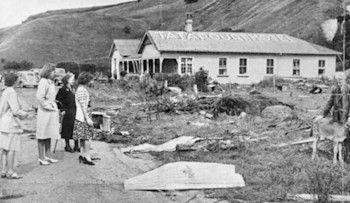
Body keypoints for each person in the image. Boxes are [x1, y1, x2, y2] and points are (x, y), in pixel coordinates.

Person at [0, 73, 29, 179]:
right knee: (11, 148)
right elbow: (15, 110)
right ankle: (10, 171)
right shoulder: (12, 92)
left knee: (4, 148)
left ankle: (3, 170)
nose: (19, 82)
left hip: (4, 122)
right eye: (18, 80)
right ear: (14, 81)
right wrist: (25, 114)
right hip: (11, 124)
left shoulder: (6, 91)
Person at [36, 63, 60, 165]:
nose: (54, 73)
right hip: (44, 112)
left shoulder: (50, 82)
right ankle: (41, 157)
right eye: (53, 71)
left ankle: (48, 155)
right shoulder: (43, 82)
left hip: (50, 112)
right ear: (48, 72)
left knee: (48, 133)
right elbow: (40, 97)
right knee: (42, 135)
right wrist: (49, 106)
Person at [323, 72, 350, 160]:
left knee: (347, 135)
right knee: (338, 135)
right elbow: (330, 103)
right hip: (337, 117)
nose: (338, 83)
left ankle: (347, 155)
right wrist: (322, 115)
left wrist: (349, 118)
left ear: (345, 80)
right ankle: (338, 155)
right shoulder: (335, 89)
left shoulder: (349, 89)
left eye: (340, 81)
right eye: (337, 81)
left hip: (346, 117)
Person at [73, 72, 95, 165]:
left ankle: (82, 155)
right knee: (87, 137)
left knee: (82, 137)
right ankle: (87, 156)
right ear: (86, 80)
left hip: (80, 116)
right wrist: (87, 118)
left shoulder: (80, 89)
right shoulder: (82, 90)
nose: (92, 82)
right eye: (91, 80)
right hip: (82, 117)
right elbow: (83, 106)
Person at [56, 73, 79, 153]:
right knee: (67, 128)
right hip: (67, 111)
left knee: (75, 127)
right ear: (67, 79)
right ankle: (67, 145)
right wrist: (62, 109)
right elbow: (58, 100)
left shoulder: (74, 88)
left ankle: (76, 145)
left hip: (74, 110)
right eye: (71, 78)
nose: (73, 80)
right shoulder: (63, 89)